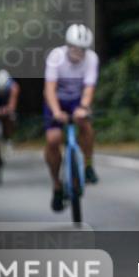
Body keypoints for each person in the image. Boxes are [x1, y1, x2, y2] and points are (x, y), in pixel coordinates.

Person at [44, 24, 99, 212]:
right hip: (56, 101)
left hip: (76, 100)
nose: (78, 53)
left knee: (86, 125)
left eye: (82, 49)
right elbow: (49, 89)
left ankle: (88, 165)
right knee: (53, 139)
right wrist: (56, 112)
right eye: (75, 48)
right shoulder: (55, 57)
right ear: (68, 45)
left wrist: (83, 107)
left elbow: (89, 87)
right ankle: (56, 184)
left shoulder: (92, 59)